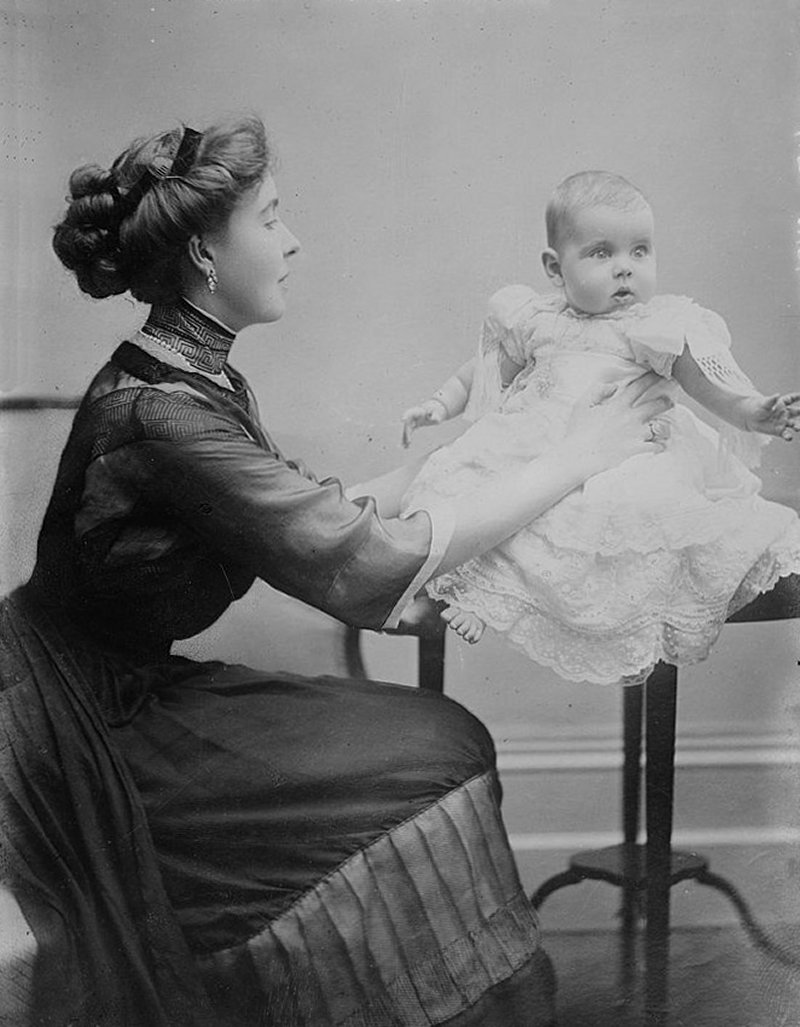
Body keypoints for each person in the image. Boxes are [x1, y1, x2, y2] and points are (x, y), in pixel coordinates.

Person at [0, 126, 673, 1026]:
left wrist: (489, 444)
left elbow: (314, 514)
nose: (292, 241)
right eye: (271, 219)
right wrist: (577, 457)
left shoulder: (192, 378)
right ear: (205, 251)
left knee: (440, 738)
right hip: (64, 723)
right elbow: (356, 559)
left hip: (120, 687)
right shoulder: (161, 414)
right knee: (435, 750)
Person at [401, 170, 800, 685]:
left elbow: (701, 382)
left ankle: (546, 608)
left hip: (621, 458)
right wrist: (438, 404)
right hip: (535, 450)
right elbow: (481, 372)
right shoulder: (535, 319)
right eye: (601, 253)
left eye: (640, 252)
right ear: (555, 267)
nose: (625, 270)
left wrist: (748, 410)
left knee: (612, 520)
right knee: (486, 498)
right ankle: (486, 599)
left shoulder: (652, 326)